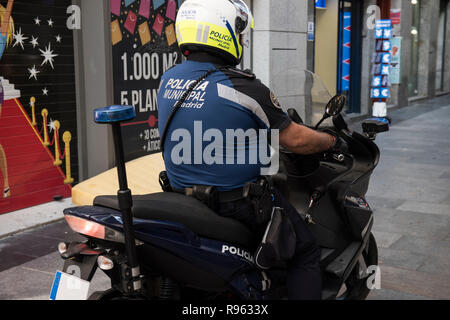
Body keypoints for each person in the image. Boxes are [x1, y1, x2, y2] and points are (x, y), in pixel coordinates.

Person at [157, 0, 339, 300]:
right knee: (305, 249)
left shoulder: (168, 79)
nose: (241, 39)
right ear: (221, 31)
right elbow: (296, 140)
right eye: (239, 31)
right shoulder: (244, 87)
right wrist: (331, 140)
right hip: (235, 204)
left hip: (180, 195)